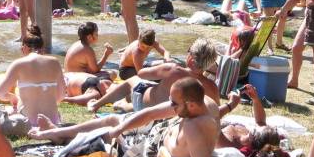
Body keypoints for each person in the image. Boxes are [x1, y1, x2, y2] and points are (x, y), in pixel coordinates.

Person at [35, 77, 219, 157]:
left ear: (192, 105)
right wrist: (119, 129)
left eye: (174, 103)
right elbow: (149, 114)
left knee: (108, 132)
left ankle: (58, 135)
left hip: (153, 147)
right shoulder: (204, 104)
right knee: (115, 122)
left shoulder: (194, 127)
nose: (171, 106)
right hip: (160, 132)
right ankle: (57, 132)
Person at [88, 38, 218, 113]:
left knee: (133, 80)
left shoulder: (172, 69)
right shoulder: (211, 87)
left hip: (147, 106)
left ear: (190, 57)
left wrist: (159, 65)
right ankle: (123, 105)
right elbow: (216, 111)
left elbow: (141, 74)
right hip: (170, 114)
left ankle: (97, 104)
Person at [0, 27, 65, 135]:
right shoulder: (55, 62)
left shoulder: (19, 64)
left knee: (3, 111)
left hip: (26, 123)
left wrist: (12, 97)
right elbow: (60, 97)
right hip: (52, 121)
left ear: (24, 47)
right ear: (42, 48)